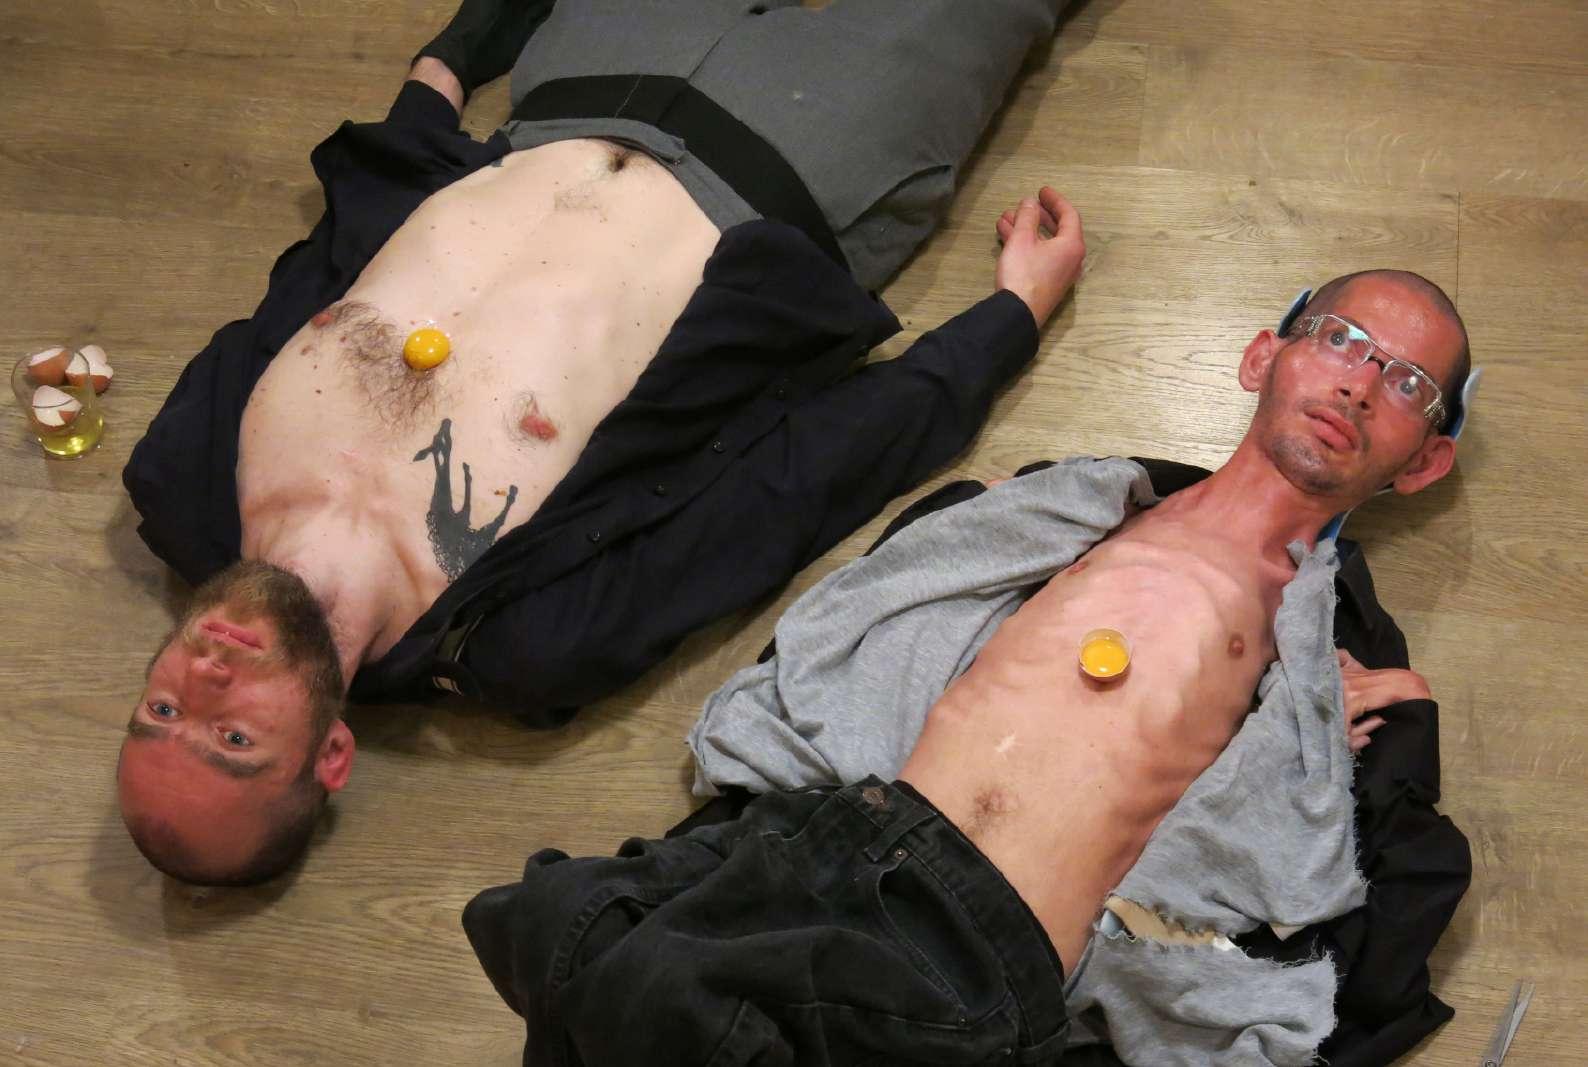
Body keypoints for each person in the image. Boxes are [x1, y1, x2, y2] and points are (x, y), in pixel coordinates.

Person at [117, 0, 1081, 886]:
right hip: (796, 160)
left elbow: (322, 266)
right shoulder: (527, 638)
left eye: (162, 711)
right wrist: (1009, 320)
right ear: (331, 754)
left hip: (579, 85)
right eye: (233, 738)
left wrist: (442, 71)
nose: (204, 679)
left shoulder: (183, 478)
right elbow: (791, 488)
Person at [461, 269, 1473, 1065]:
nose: (1359, 383)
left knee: (654, 1000)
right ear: (1263, 355)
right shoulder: (1071, 514)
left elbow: (1296, 839)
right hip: (833, 836)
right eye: (1341, 339)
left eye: (1407, 384)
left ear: (1424, 459)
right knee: (558, 920)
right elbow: (917, 594)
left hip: (975, 946)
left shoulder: (1311, 644)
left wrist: (1322, 742)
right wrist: (977, 514)